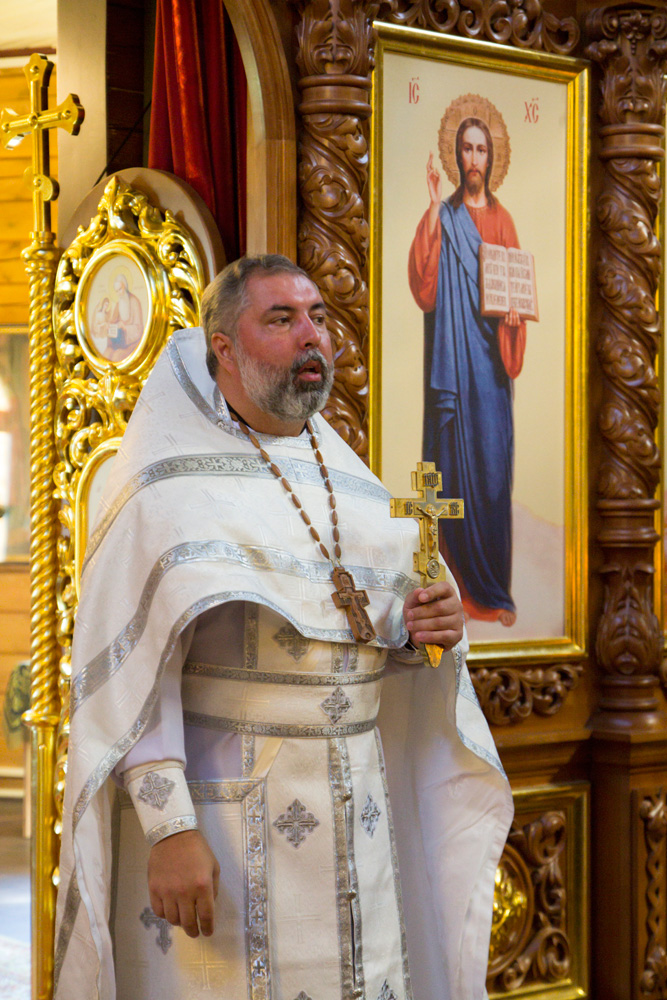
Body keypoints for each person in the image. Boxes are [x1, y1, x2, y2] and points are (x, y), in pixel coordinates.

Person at [54, 255, 512, 1000]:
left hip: (359, 814)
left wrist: (418, 633)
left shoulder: (349, 482)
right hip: (226, 824)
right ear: (223, 348)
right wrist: (169, 828)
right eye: (282, 319)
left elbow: (369, 637)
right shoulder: (162, 488)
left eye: (318, 318)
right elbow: (134, 673)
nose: (312, 337)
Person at [409, 117, 527, 627]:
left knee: (493, 474)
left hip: (491, 374)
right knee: (454, 471)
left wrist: (514, 320)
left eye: (481, 150)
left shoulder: (503, 221)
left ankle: (493, 593)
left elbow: (515, 288)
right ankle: (453, 586)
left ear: (491, 158)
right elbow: (425, 287)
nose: (474, 159)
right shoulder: (446, 215)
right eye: (466, 149)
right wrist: (433, 205)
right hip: (453, 368)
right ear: (456, 156)